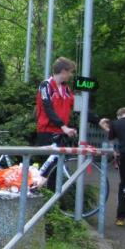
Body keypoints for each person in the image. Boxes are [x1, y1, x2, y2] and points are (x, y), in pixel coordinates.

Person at [35, 57, 106, 187]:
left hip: (61, 132)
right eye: (70, 72)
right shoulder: (46, 85)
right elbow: (48, 108)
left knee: (55, 170)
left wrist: (98, 120)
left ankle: (49, 195)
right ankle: (36, 189)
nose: (71, 75)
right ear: (63, 71)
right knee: (50, 170)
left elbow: (79, 108)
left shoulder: (66, 89)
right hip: (47, 131)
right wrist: (64, 127)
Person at [103, 107, 125, 226]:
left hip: (124, 156)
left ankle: (121, 217)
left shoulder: (115, 123)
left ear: (119, 115)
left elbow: (111, 139)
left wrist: (114, 150)